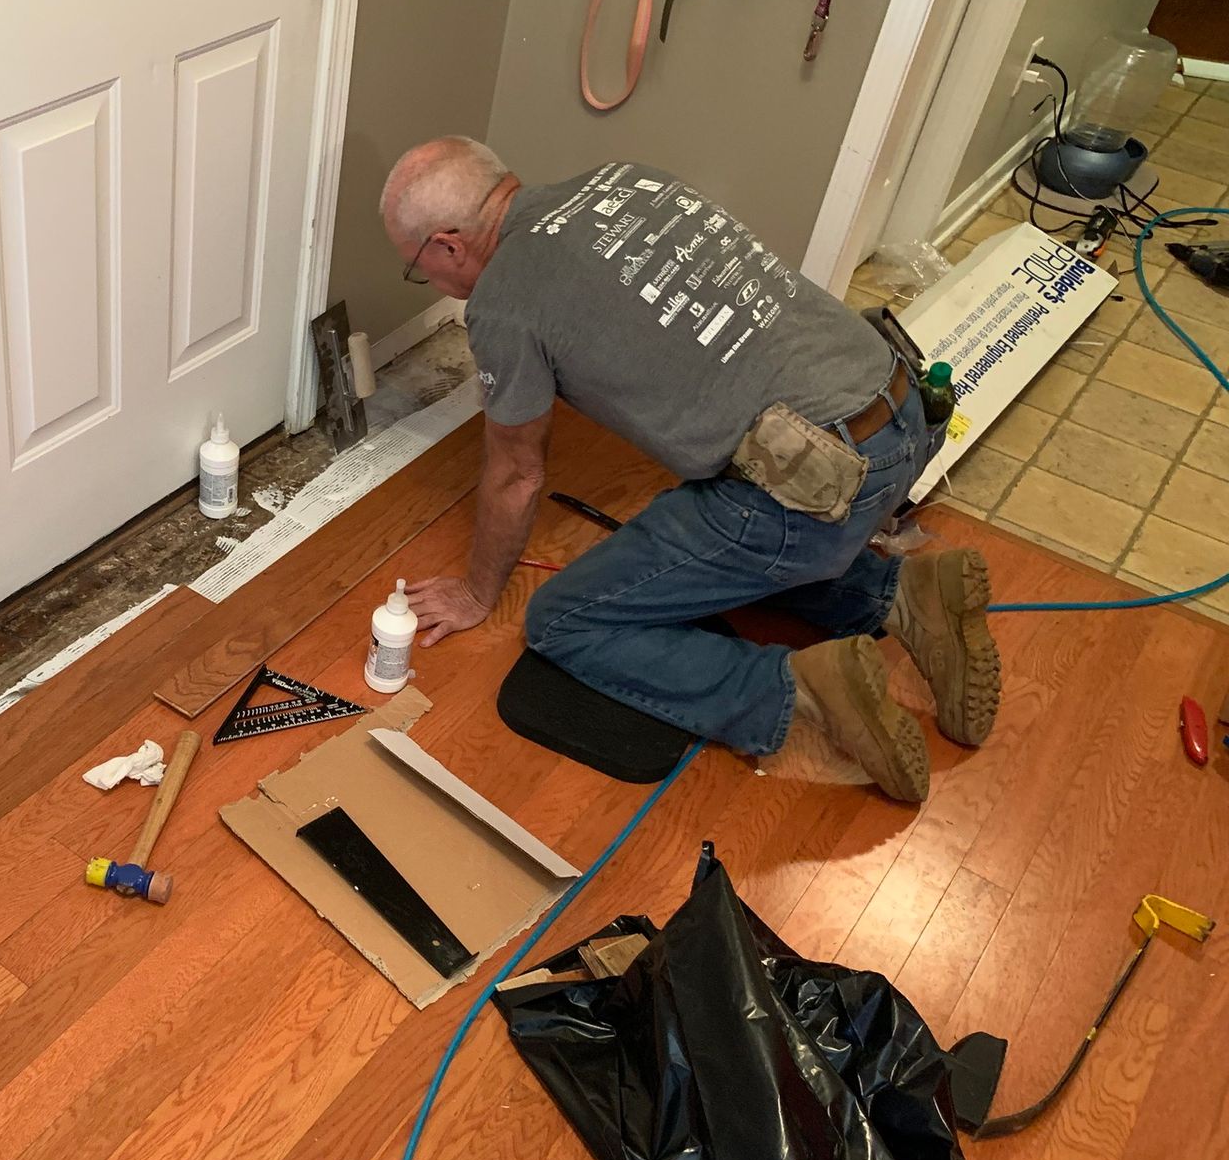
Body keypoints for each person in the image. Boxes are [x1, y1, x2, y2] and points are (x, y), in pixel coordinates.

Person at [380, 137, 1001, 802]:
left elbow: (516, 474)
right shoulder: (623, 176)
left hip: (820, 479)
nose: (435, 282)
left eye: (420, 268)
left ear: (448, 245)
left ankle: (798, 690)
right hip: (904, 409)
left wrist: (479, 594)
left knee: (566, 621)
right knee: (722, 546)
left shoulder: (503, 300)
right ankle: (903, 594)